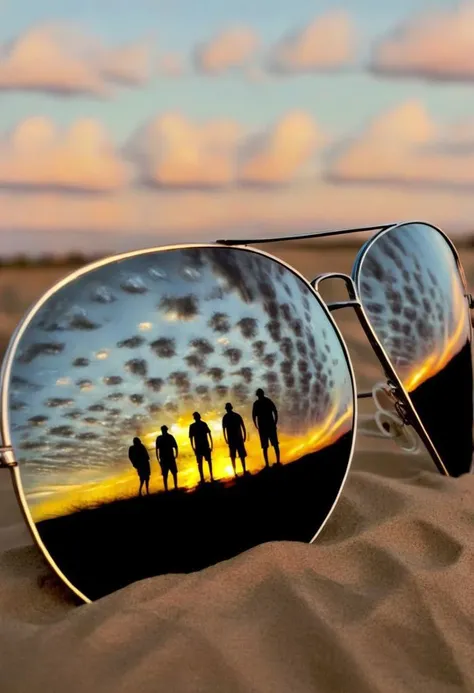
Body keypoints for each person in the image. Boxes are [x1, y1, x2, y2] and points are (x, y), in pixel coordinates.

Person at [252, 388, 281, 467]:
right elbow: (254, 416)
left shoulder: (264, 402)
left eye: (259, 394)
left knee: (273, 445)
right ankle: (269, 464)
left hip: (268, 426)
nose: (259, 396)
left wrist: (275, 422)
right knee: (266, 446)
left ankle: (276, 462)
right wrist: (256, 425)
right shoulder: (258, 403)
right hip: (265, 427)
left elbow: (275, 411)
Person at [222, 402, 247, 476]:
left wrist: (244, 435)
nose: (227, 410)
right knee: (234, 456)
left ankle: (242, 470)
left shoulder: (232, 416)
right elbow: (224, 429)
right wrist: (226, 438)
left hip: (236, 438)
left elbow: (242, 426)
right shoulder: (227, 417)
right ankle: (236, 472)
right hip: (233, 439)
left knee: (239, 455)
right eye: (227, 408)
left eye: (228, 408)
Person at [189, 411, 214, 483]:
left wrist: (211, 445)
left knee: (207, 462)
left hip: (204, 446)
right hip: (200, 447)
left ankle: (210, 476)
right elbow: (191, 438)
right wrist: (193, 447)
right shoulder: (193, 426)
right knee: (200, 463)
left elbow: (209, 434)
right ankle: (203, 477)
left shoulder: (202, 424)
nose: (196, 418)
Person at [155, 425, 179, 492]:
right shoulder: (159, 438)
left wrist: (176, 455)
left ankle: (175, 486)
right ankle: (166, 489)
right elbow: (156, 449)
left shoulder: (170, 437)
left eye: (164, 430)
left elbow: (175, 446)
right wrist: (158, 459)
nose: (163, 431)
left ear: (166, 430)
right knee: (165, 474)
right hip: (163, 458)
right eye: (163, 430)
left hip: (170, 457)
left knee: (174, 473)